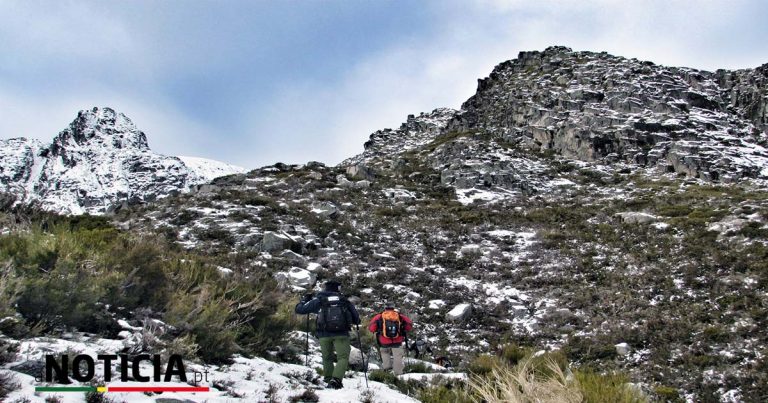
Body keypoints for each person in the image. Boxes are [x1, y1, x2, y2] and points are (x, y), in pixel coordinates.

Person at [295, 280, 360, 389]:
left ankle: (328, 379)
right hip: (341, 334)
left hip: (324, 334)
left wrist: (304, 300)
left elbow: (299, 310)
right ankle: (336, 380)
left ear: (325, 288)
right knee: (343, 357)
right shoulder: (344, 301)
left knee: (327, 357)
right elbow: (357, 319)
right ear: (338, 289)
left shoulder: (319, 300)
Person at [368, 303, 413, 376]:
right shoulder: (399, 316)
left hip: (383, 341)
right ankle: (398, 373)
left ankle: (387, 370)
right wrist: (402, 328)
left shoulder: (379, 316)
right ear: (393, 308)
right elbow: (409, 326)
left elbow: (371, 328)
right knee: (397, 356)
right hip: (397, 340)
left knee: (385, 353)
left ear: (385, 308)